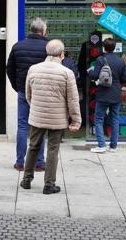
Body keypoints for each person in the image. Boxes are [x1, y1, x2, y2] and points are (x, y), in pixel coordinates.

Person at [20, 40, 81, 194]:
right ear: (61, 54)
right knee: (53, 149)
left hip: (37, 116)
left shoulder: (33, 69)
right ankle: (49, 184)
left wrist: (36, 107)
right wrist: (76, 120)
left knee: (33, 146)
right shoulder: (67, 73)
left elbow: (28, 95)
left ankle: (26, 179)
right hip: (57, 118)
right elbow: (73, 100)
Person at [6, 18, 48, 172]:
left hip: (24, 91)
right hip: (41, 92)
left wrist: (17, 87)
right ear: (43, 31)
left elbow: (9, 69)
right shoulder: (47, 47)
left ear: (31, 30)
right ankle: (39, 163)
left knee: (23, 126)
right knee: (40, 126)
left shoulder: (18, 46)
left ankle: (20, 162)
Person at [88, 38, 126, 153]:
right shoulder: (120, 61)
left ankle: (101, 145)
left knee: (99, 119)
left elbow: (95, 76)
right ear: (114, 47)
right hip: (116, 94)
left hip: (103, 94)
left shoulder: (101, 60)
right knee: (115, 119)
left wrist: (89, 71)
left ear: (104, 47)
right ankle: (113, 146)